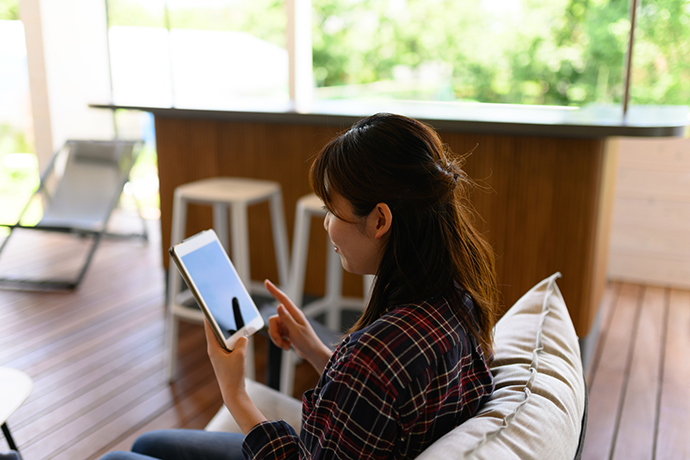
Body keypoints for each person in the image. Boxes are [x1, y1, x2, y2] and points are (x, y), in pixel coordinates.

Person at [101, 112, 500, 460]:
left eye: (332, 210)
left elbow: (367, 387)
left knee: (118, 458)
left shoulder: (374, 355)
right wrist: (317, 352)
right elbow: (382, 410)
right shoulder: (456, 298)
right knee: (150, 444)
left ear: (380, 220)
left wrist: (234, 393)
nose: (327, 224)